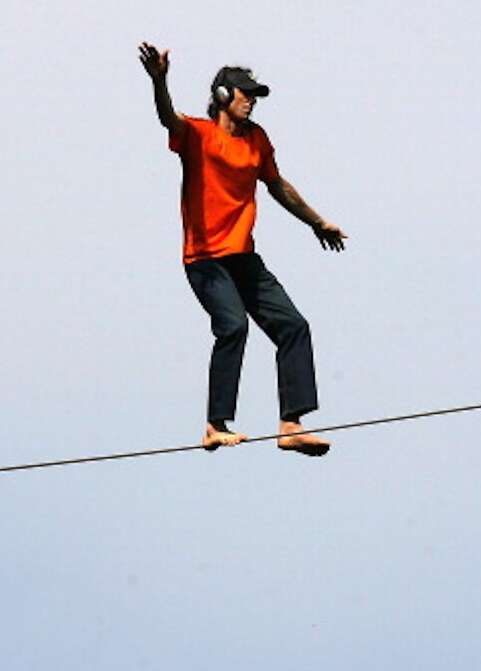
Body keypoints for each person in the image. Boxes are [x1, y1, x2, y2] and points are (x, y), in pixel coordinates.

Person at [138, 41, 348, 456]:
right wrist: (160, 82)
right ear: (223, 96)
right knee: (233, 326)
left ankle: (291, 425)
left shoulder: (257, 140)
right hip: (205, 259)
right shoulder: (198, 134)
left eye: (255, 95)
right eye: (246, 94)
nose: (252, 101)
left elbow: (278, 186)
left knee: (293, 326)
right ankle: (214, 426)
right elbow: (167, 118)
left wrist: (317, 222)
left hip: (243, 258)